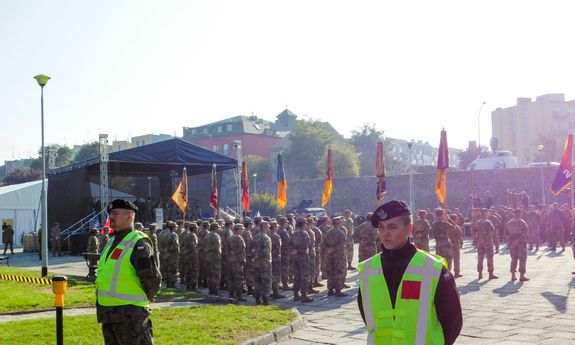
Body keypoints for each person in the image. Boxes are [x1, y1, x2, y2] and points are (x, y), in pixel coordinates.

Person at [357, 200, 462, 345]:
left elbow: (453, 321)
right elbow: (367, 315)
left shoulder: (432, 268)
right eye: (381, 227)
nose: (384, 233)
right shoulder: (368, 270)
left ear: (409, 229)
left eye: (392, 227)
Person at [96, 199, 161, 345]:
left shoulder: (138, 242)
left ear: (130, 216)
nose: (111, 217)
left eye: (115, 213)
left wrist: (149, 295)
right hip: (109, 314)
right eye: (110, 213)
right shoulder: (112, 241)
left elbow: (152, 278)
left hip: (131, 316)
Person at [505, 209, 529, 281]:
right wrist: (518, 240)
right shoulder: (522, 222)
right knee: (522, 259)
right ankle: (522, 276)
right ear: (520, 214)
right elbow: (525, 233)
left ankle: (513, 275)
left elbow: (506, 234)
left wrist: (511, 242)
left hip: (512, 244)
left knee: (514, 259)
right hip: (521, 243)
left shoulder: (509, 223)